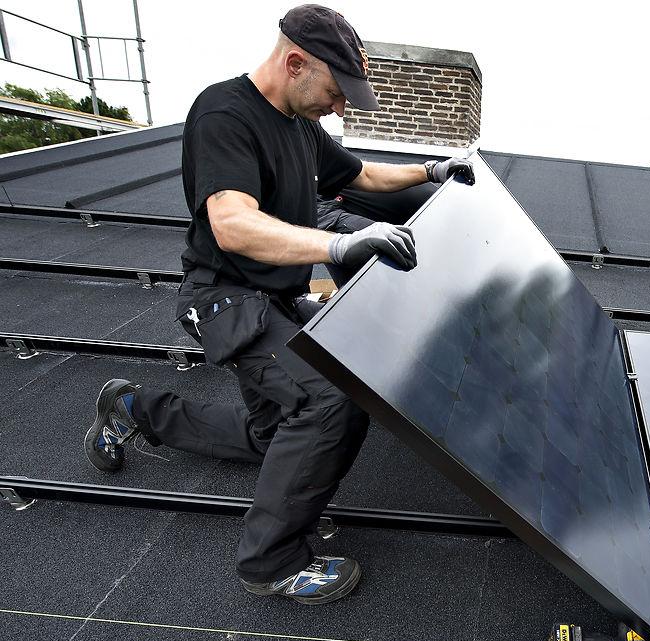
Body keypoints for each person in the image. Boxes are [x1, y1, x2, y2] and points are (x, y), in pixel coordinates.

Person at [81, 4, 475, 606]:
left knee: (277, 438)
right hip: (225, 300)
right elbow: (234, 225)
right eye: (337, 92)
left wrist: (431, 169)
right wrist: (341, 242)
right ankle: (271, 561)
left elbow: (362, 175)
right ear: (295, 63)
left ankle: (134, 408)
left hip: (274, 298)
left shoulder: (299, 124)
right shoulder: (225, 115)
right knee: (330, 401)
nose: (341, 107)